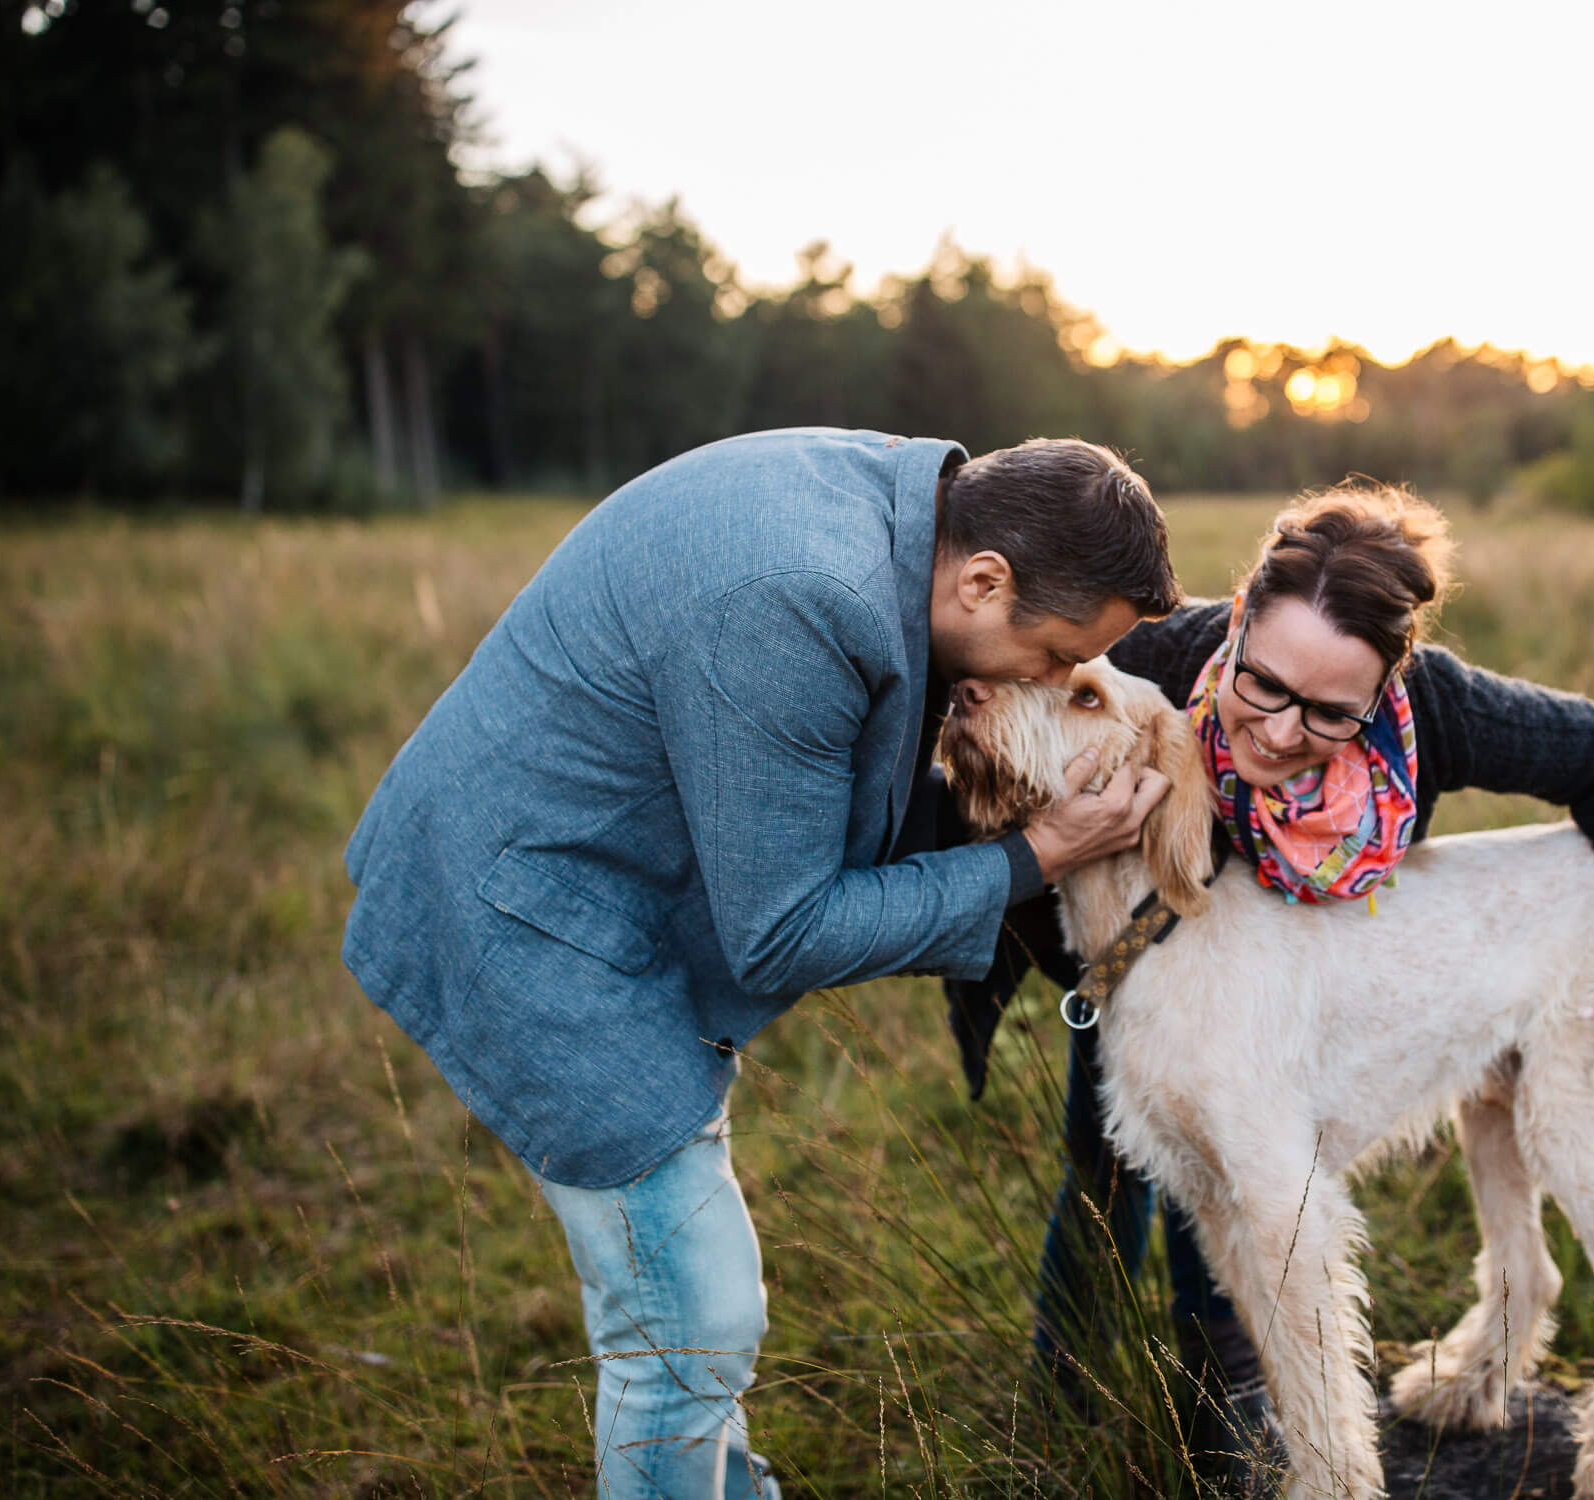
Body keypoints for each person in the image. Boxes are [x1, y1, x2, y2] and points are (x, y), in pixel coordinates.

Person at [340, 429, 1182, 1500]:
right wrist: (1039, 856)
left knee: (684, 1309)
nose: (1059, 678)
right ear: (984, 580)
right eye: (1062, 655)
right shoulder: (797, 598)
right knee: (693, 1313)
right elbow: (783, 929)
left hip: (614, 882)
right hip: (528, 907)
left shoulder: (900, 513)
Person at [943, 485, 1594, 1481]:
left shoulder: (1434, 708)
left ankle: (1260, 1410)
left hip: (1278, 956)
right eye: (1262, 684)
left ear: (1387, 687)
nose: (1276, 729)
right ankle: (1068, 1394)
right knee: (1109, 1165)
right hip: (1123, 951)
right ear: (1236, 624)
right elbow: (994, 736)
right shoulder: (1146, 670)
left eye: (1328, 711)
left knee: (1245, 1187)